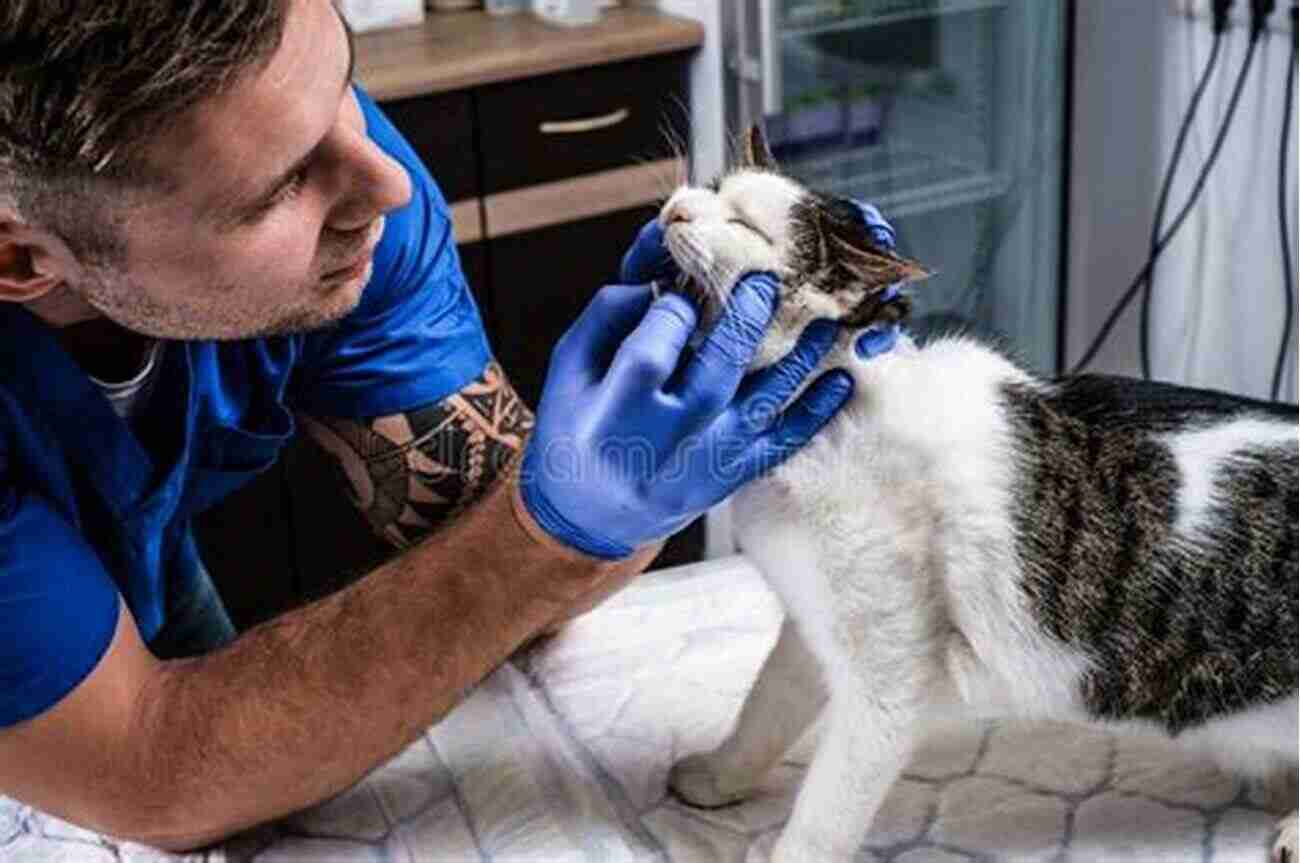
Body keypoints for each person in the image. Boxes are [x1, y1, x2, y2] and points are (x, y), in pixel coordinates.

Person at [0, 0, 899, 850]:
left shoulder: (345, 170)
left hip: (142, 543)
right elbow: (152, 772)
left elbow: (523, 592)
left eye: (343, 81)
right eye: (278, 191)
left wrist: (607, 487)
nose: (386, 185)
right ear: (18, 256)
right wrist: (536, 538)